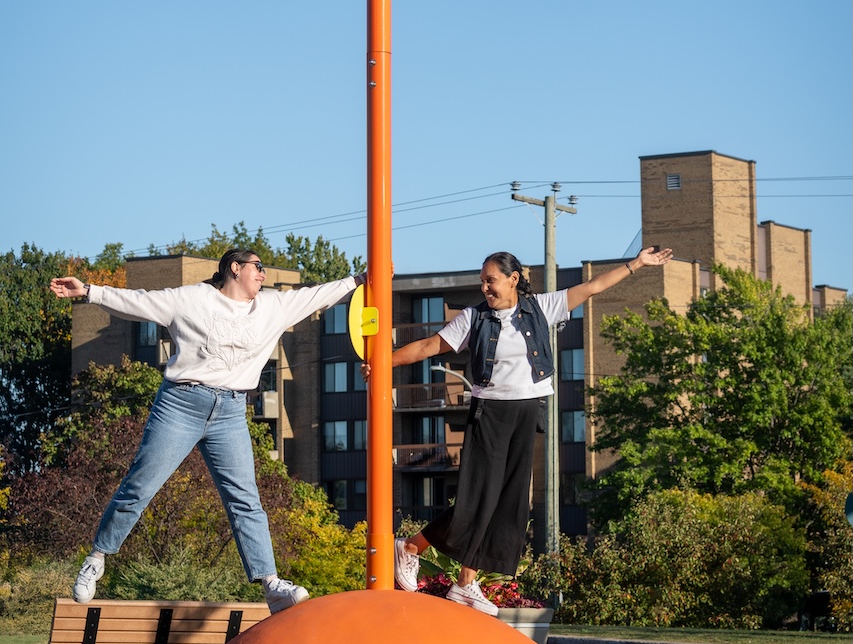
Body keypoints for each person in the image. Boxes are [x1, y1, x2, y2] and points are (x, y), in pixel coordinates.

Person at [50, 249, 366, 612]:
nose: (263, 275)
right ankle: (97, 557)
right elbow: (138, 303)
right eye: (258, 267)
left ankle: (271, 585)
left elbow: (317, 295)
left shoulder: (273, 307)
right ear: (235, 268)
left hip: (230, 412)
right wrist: (88, 290)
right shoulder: (191, 299)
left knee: (245, 498)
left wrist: (359, 280)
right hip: (181, 404)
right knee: (140, 484)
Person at [385, 246, 672, 615]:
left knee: (508, 504)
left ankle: (465, 583)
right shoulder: (474, 318)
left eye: (490, 280)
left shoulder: (541, 308)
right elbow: (429, 346)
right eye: (482, 281)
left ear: (513, 279)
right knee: (478, 498)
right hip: (490, 414)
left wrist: (636, 264)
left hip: (527, 411)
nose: (485, 287)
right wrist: (383, 361)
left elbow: (592, 287)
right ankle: (411, 547)